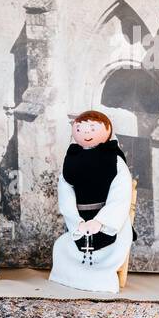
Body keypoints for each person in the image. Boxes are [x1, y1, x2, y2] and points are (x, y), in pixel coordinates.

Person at [48, 109, 134, 293]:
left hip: (110, 221)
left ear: (108, 129)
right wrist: (77, 221)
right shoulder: (71, 160)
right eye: (80, 128)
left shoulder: (115, 160)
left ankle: (101, 281)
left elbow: (121, 194)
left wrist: (101, 222)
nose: (86, 133)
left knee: (109, 250)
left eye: (92, 128)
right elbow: (66, 192)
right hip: (80, 218)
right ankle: (71, 278)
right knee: (63, 247)